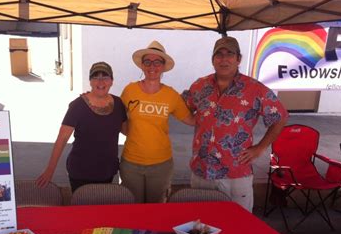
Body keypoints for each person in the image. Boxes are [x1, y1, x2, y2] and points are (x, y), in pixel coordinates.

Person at [183, 36, 288, 212]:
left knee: (239, 226)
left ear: (238, 59)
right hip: (202, 171)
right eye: (219, 54)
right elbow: (180, 107)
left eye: (229, 54)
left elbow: (280, 117)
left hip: (235, 173)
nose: (224, 59)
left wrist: (260, 147)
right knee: (201, 223)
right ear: (213, 59)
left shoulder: (254, 89)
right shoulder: (199, 86)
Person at [120, 41, 194, 203]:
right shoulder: (129, 90)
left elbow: (191, 120)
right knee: (132, 208)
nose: (152, 66)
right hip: (131, 163)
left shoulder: (171, 95)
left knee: (156, 211)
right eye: (147, 61)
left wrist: (214, 109)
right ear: (142, 65)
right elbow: (118, 118)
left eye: (157, 62)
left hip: (161, 165)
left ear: (163, 66)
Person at [36, 62, 127, 192]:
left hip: (107, 170)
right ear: (90, 81)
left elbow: (126, 130)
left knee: (102, 206)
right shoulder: (78, 106)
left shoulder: (118, 104)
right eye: (95, 77)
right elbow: (62, 138)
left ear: (112, 81)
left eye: (105, 77)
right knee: (82, 208)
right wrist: (50, 170)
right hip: (81, 171)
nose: (100, 81)